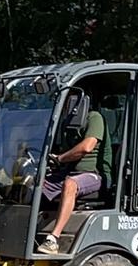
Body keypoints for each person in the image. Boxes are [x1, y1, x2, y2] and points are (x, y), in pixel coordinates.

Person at [38, 93, 106, 254]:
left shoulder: (94, 117)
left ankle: (53, 239)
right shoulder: (65, 123)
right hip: (68, 172)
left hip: (93, 174)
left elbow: (87, 147)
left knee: (70, 184)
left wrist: (60, 158)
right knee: (33, 185)